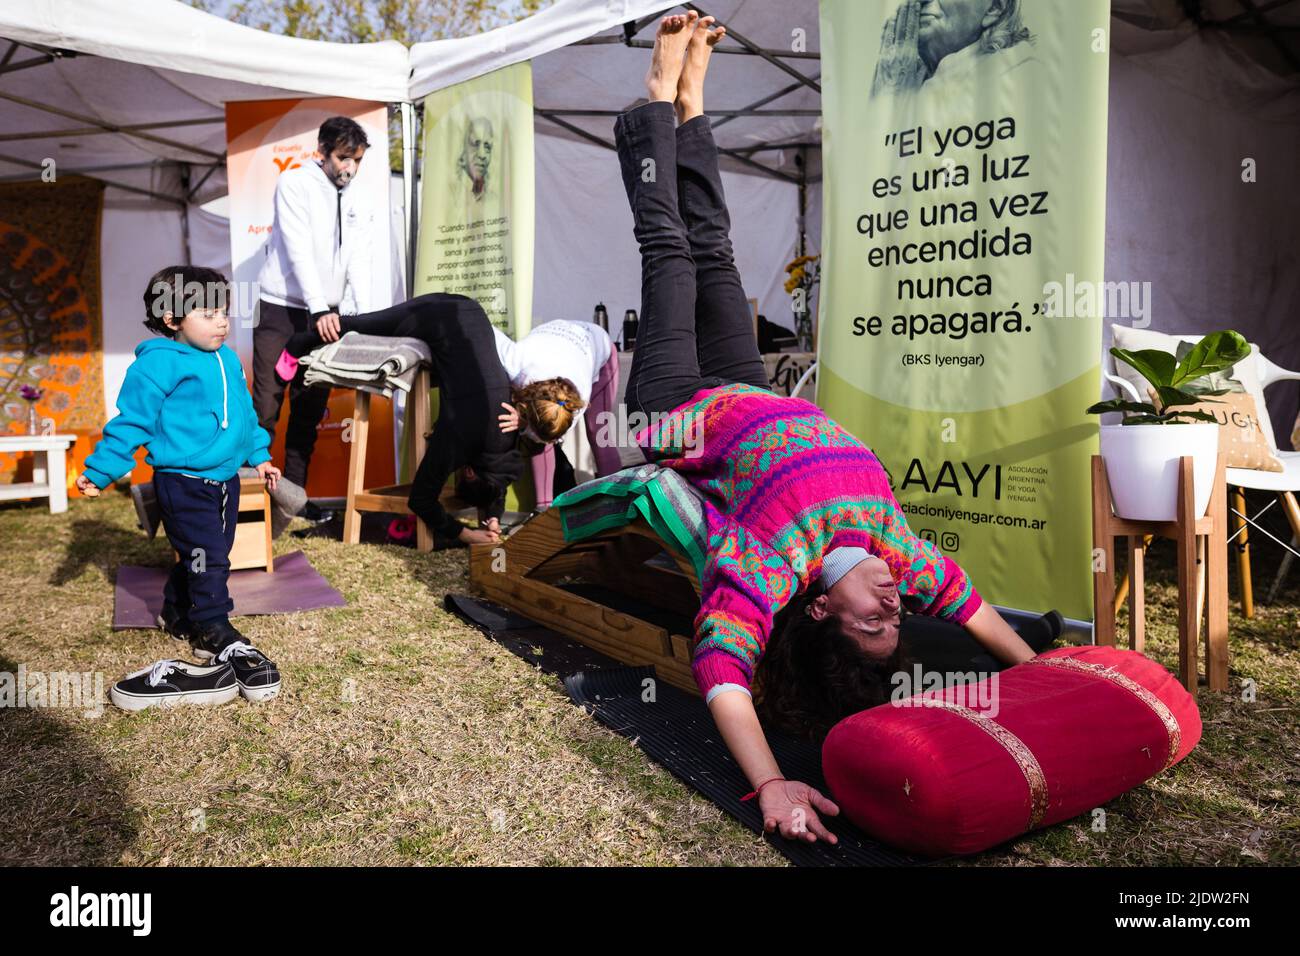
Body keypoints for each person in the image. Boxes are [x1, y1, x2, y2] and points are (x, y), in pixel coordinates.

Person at [615, 13, 1039, 845]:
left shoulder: (775, 562)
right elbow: (979, 613)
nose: (892, 604)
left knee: (669, 250)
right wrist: (1048, 675)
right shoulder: (895, 552)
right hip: (751, 393)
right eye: (894, 620)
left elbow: (723, 671)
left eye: (873, 622)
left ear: (817, 613)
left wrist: (772, 782)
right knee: (721, 254)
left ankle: (655, 95)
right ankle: (694, 108)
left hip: (676, 408)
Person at [77, 265, 282, 706]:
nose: (222, 322)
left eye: (223, 312)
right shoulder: (157, 365)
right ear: (172, 320)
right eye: (208, 314)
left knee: (205, 552)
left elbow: (245, 414)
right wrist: (99, 471)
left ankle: (176, 609)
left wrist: (260, 457)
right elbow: (132, 422)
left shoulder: (226, 358)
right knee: (207, 558)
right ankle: (212, 627)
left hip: (225, 480)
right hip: (182, 482)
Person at [279, 293, 521, 546]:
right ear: (469, 472)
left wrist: (493, 517)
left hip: (471, 310)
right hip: (436, 317)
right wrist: (466, 535)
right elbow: (421, 500)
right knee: (363, 326)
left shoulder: (508, 430)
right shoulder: (460, 436)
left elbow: (498, 477)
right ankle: (300, 342)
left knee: (371, 324)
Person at [253, 116, 375, 497]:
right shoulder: (294, 182)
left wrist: (366, 314)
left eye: (357, 160)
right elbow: (297, 247)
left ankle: (293, 498)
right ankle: (245, 497)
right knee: (267, 401)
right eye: (343, 158)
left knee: (310, 405)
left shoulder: (357, 192)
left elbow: (358, 256)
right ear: (321, 152)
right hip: (281, 308)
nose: (350, 168)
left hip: (328, 311)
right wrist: (319, 307)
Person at [494, 319, 622, 509]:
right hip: (553, 343)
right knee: (541, 439)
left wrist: (524, 424)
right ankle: (543, 509)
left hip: (596, 345)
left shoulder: (579, 395)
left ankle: (619, 499)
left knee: (598, 431)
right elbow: (488, 330)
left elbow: (548, 431)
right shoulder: (514, 361)